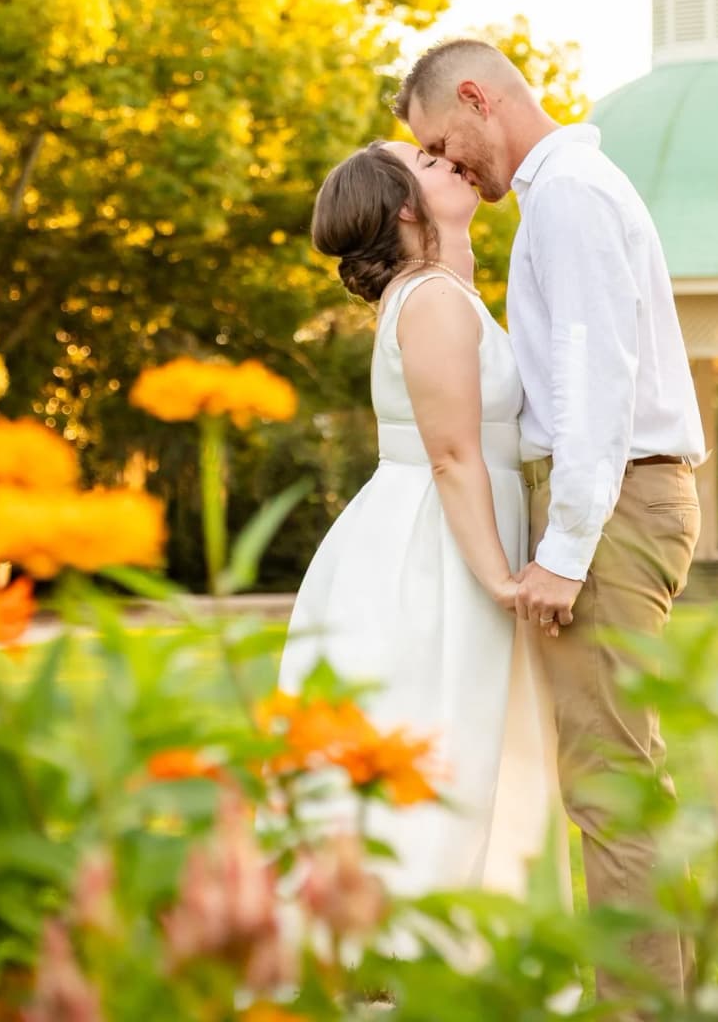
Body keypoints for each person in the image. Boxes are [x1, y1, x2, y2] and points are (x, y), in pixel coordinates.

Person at [397, 39, 707, 1002]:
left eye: (446, 141)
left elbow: (595, 387)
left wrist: (566, 552)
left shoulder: (568, 196)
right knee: (617, 776)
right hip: (620, 499)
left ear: (480, 98)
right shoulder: (558, 194)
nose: (450, 165)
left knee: (610, 785)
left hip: (616, 506)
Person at [277, 139, 561, 901]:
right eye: (431, 163)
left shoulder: (439, 288)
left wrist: (456, 230)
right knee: (448, 722)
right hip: (436, 539)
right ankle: (409, 934)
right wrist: (500, 579)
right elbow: (453, 455)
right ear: (406, 205)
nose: (455, 162)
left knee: (460, 722)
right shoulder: (430, 300)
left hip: (449, 523)